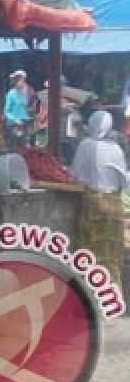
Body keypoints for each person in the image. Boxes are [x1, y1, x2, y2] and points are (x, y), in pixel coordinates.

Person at [71, 111, 128, 295]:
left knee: (89, 250)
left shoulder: (86, 146)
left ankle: (89, 297)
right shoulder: (116, 149)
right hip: (114, 206)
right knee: (112, 253)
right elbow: (123, 182)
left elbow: (75, 177)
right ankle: (112, 296)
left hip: (93, 204)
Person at [3, 69, 32, 149]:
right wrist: (15, 119)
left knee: (26, 145)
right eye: (19, 80)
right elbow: (6, 111)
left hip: (24, 122)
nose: (21, 82)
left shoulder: (24, 93)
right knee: (14, 146)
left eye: (22, 80)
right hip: (14, 124)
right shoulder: (11, 93)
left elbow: (26, 108)